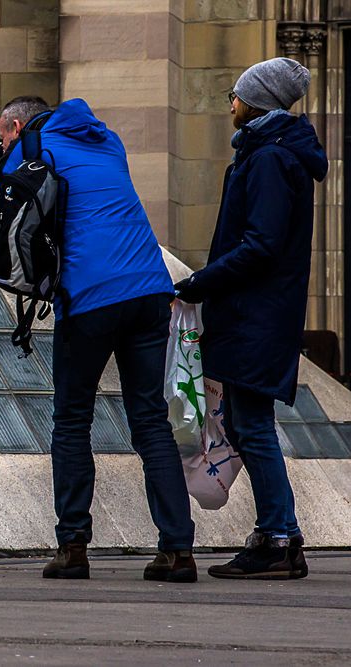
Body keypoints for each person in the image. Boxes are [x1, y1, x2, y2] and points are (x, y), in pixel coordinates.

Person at [0, 96, 197, 582]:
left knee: (72, 419)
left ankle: (73, 547)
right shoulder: (107, 140)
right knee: (152, 424)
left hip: (92, 296)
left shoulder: (31, 147)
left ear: (14, 126)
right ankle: (178, 551)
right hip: (149, 292)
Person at [174, 58, 326, 579]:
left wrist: (199, 283)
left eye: (235, 96)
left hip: (254, 314)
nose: (229, 104)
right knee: (245, 422)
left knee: (254, 426)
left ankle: (279, 539)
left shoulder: (268, 160)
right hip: (256, 312)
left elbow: (260, 245)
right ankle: (277, 535)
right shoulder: (271, 154)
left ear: (255, 100)